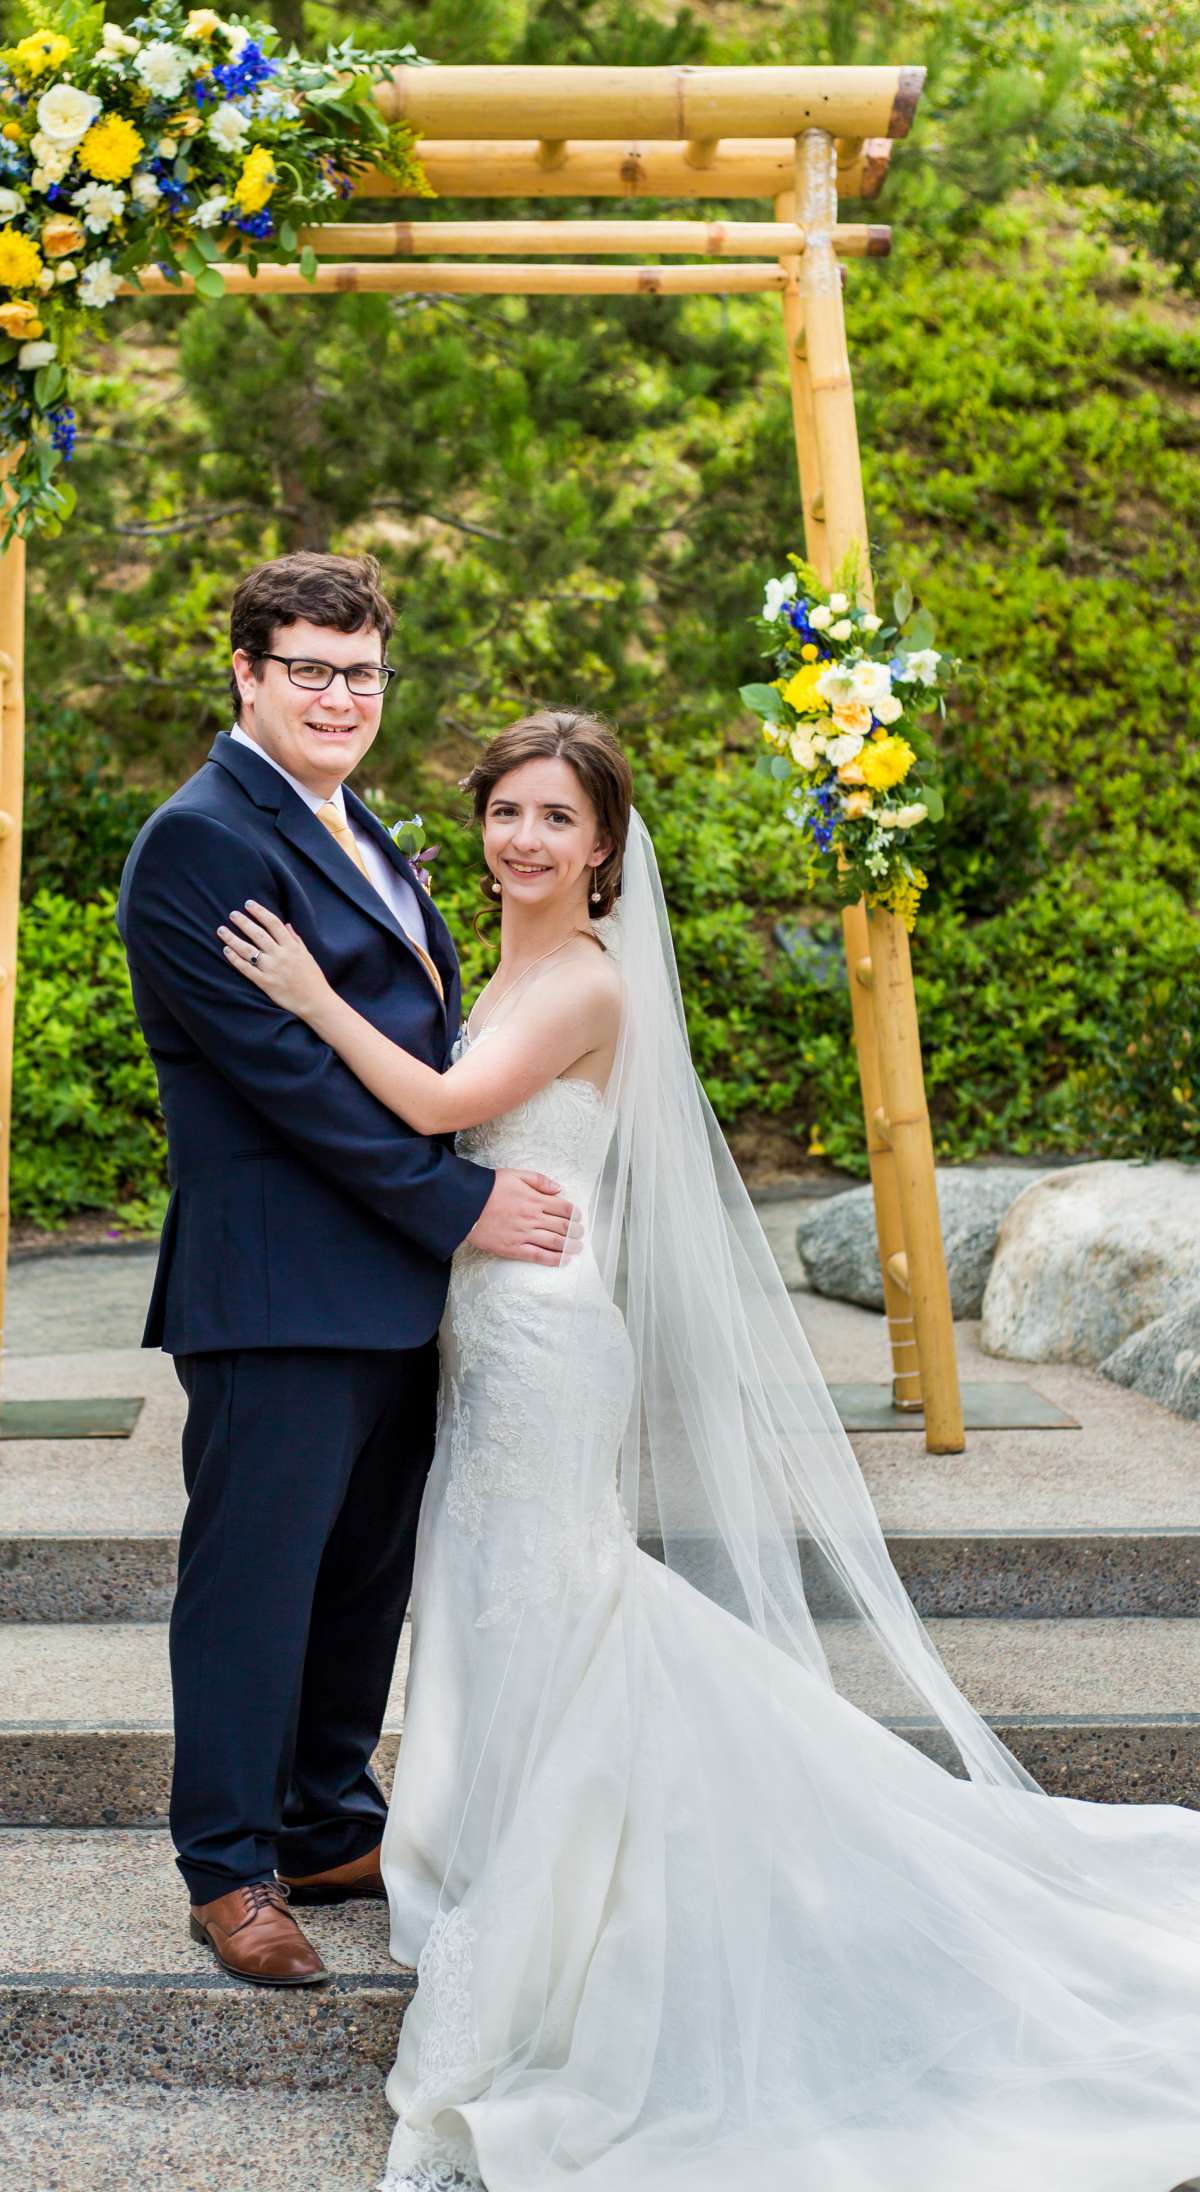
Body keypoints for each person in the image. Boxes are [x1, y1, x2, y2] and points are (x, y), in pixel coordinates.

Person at [221, 706, 1200, 2192]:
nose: (525, 838)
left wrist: (303, 988)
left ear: (606, 845)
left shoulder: (583, 985)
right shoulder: (512, 963)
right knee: (506, 1591)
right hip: (491, 1329)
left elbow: (430, 1105)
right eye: (507, 812)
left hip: (545, 1335)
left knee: (551, 1586)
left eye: (558, 818)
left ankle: (593, 1875)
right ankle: (508, 1840)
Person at [116, 553, 577, 1992]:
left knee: (363, 1575)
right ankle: (230, 1863)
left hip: (387, 1285)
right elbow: (285, 1084)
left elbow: (409, 1040)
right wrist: (461, 1205)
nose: (338, 695)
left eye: (360, 670)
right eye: (308, 668)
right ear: (245, 673)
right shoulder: (202, 843)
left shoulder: (349, 819)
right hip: (277, 1281)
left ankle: (325, 1817)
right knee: (255, 1578)